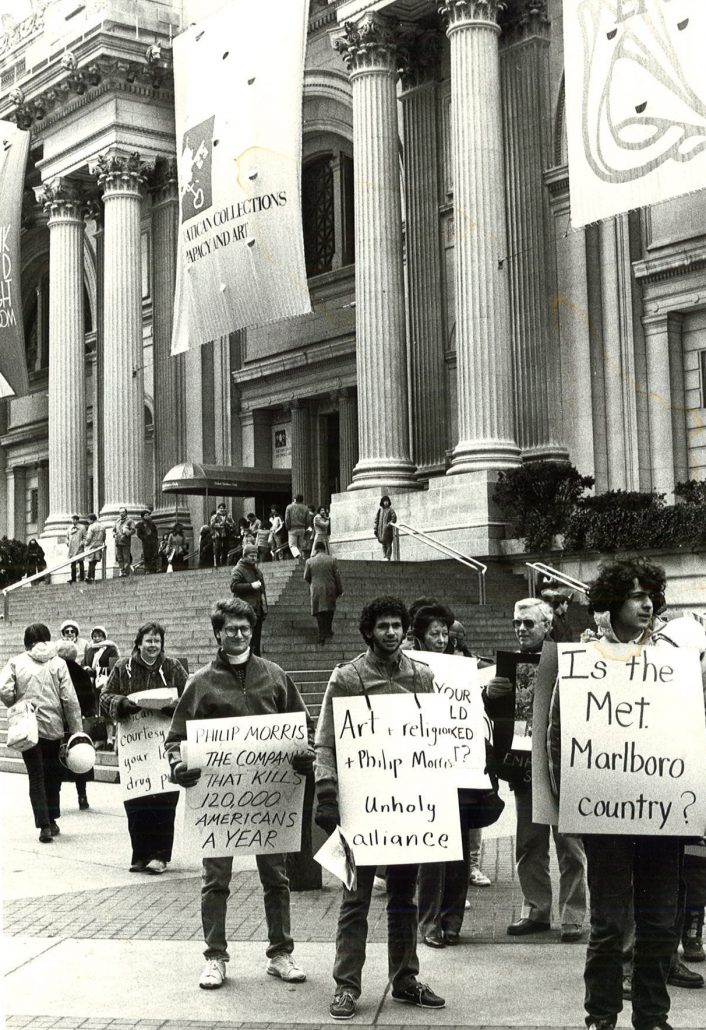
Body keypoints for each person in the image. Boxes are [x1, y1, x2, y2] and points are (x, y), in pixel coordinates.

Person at [548, 558, 685, 1030]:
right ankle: (601, 1016)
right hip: (605, 818)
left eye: (651, 594)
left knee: (659, 923)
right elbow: (556, 738)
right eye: (635, 595)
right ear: (611, 603)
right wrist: (575, 807)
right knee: (607, 926)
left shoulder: (672, 663)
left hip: (664, 818)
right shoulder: (584, 664)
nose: (646, 603)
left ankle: (652, 1017)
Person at [165, 597, 313, 990]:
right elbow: (175, 739)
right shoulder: (200, 683)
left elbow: (304, 727)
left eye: (245, 628)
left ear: (253, 631)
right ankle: (215, 957)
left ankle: (280, 952)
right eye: (231, 628)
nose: (239, 634)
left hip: (269, 798)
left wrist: (303, 754)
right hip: (218, 803)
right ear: (217, 633)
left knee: (276, 878)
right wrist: (178, 767)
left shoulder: (275, 676)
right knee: (215, 881)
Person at [314, 595, 445, 1020]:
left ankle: (405, 978)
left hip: (407, 808)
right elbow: (326, 741)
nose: (391, 632)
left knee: (404, 896)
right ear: (369, 630)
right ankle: (347, 985)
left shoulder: (422, 676)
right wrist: (327, 793)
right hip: (361, 808)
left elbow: (436, 739)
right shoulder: (348, 677)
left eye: (397, 625)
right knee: (356, 899)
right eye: (383, 625)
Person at [487, 597, 586, 942]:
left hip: (562, 766)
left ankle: (573, 915)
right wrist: (489, 695)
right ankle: (536, 910)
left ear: (547, 625)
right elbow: (497, 720)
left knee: (569, 844)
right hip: (525, 767)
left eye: (529, 623)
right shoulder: (509, 665)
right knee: (529, 843)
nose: (521, 629)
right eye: (517, 623)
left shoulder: (569, 660)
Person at [100, 622, 188, 874]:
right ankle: (140, 853)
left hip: (164, 743)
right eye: (148, 641)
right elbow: (105, 697)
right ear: (138, 643)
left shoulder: (173, 667)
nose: (152, 646)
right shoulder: (122, 667)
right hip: (135, 747)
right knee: (137, 801)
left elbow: (190, 696)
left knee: (164, 798)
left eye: (157, 641)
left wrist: (173, 705)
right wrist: (124, 704)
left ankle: (160, 855)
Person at [0, 623, 82, 842]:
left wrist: (15, 702)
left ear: (27, 642)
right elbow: (69, 699)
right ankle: (53, 819)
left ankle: (43, 825)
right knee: (53, 776)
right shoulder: (59, 663)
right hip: (53, 728)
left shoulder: (16, 662)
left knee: (35, 776)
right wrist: (77, 732)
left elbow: (3, 689)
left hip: (27, 728)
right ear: (48, 639)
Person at [56, 640, 96, 811]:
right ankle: (82, 796)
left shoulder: (56, 670)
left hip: (59, 721)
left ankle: (54, 798)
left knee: (58, 760)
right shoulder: (81, 671)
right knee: (80, 757)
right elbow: (89, 697)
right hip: (78, 721)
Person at [229, 543, 268, 656]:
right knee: (247, 640)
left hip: (257, 610)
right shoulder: (238, 569)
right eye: (251, 556)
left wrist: (264, 606)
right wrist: (250, 586)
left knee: (256, 641)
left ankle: (255, 661)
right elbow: (234, 586)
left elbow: (262, 591)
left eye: (255, 556)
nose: (254, 558)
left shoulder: (257, 571)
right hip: (244, 611)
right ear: (244, 556)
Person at [304, 540, 343, 645]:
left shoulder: (309, 561)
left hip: (316, 590)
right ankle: (328, 630)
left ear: (316, 550)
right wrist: (340, 590)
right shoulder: (332, 560)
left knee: (319, 612)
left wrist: (313, 583)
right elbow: (337, 576)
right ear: (325, 549)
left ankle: (322, 634)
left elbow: (306, 577)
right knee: (330, 610)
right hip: (330, 588)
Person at [135, 509, 159, 574]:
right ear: (142, 517)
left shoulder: (152, 524)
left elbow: (155, 532)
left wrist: (155, 539)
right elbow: (139, 534)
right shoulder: (140, 525)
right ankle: (147, 569)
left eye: (148, 515)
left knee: (154, 555)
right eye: (146, 515)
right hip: (146, 543)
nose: (147, 516)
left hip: (153, 542)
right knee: (147, 556)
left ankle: (154, 569)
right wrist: (144, 538)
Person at [113, 508, 135, 577]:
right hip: (118, 541)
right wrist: (114, 533)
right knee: (119, 557)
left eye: (123, 512)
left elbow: (133, 530)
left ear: (126, 513)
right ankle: (121, 570)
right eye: (120, 512)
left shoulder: (130, 521)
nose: (121, 514)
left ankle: (126, 571)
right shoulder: (117, 521)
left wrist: (127, 533)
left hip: (125, 541)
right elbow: (114, 529)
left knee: (126, 557)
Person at [374, 495, 396, 561]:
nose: (385, 503)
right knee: (383, 544)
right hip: (381, 530)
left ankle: (388, 556)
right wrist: (375, 529)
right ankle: (384, 556)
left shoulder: (390, 510)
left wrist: (388, 525)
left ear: (389, 502)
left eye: (387, 501)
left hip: (388, 531)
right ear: (382, 502)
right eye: (384, 501)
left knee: (389, 544)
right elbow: (376, 520)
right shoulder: (380, 510)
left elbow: (394, 518)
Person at [84, 514, 106, 583]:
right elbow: (104, 536)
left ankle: (90, 576)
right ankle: (91, 576)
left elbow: (88, 538)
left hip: (91, 546)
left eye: (88, 520)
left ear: (92, 519)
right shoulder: (102, 526)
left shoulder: (92, 526)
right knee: (94, 562)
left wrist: (85, 544)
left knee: (91, 562)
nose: (88, 521)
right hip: (99, 546)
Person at [66, 514, 86, 583]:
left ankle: (82, 577)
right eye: (72, 519)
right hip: (71, 549)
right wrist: (67, 542)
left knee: (81, 562)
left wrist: (82, 543)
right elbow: (67, 537)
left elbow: (85, 537)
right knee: (73, 564)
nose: (73, 521)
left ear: (77, 520)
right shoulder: (69, 528)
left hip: (79, 548)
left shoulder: (82, 527)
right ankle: (73, 578)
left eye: (74, 519)